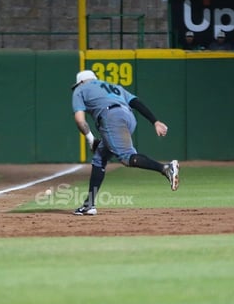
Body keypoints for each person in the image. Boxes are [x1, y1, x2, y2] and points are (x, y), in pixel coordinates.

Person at [71, 69, 179, 216]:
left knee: (126, 158)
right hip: (128, 117)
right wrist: (155, 121)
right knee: (99, 158)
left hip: (111, 118)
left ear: (81, 81)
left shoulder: (81, 89)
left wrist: (90, 139)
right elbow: (135, 102)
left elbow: (79, 120)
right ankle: (89, 204)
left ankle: (166, 168)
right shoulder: (114, 87)